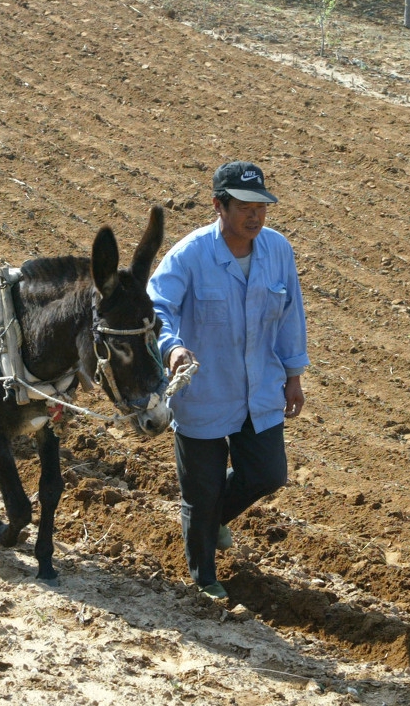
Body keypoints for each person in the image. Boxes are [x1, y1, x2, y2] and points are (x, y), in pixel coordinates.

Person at [148, 161, 308, 602]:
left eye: (260, 206)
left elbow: (292, 315)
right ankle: (204, 578)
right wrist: (172, 348)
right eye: (243, 206)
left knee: (268, 473)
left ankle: (212, 519)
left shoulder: (278, 251)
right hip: (204, 390)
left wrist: (294, 375)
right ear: (219, 206)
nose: (254, 216)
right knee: (202, 490)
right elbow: (157, 309)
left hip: (260, 388)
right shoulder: (190, 255)